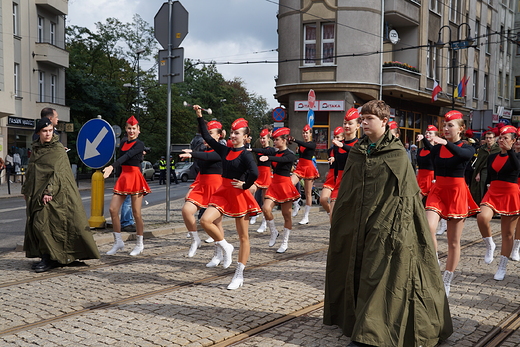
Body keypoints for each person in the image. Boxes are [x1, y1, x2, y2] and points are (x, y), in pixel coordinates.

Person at [323, 100, 452, 346]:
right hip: (357, 223)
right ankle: (355, 321)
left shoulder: (397, 154)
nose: (364, 123)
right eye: (362, 119)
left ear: (384, 121)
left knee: (378, 273)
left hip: (387, 224)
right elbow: (348, 191)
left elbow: (406, 197)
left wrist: (394, 227)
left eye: (369, 119)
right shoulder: (358, 151)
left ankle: (369, 333)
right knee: (356, 268)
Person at [194, 105, 261, 290]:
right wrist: (200, 117)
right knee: (205, 220)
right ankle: (225, 246)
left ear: (246, 137)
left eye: (237, 133)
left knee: (243, 236)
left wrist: (245, 185)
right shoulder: (225, 151)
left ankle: (239, 274)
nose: (233, 136)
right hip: (222, 192)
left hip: (238, 194)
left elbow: (254, 173)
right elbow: (207, 137)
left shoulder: (246, 155)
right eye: (232, 133)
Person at [22, 118, 100, 272]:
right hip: (35, 193)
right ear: (38, 133)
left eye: (50, 130)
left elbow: (58, 173)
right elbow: (32, 171)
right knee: (41, 225)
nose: (48, 134)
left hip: (54, 195)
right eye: (44, 131)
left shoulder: (57, 149)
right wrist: (25, 189)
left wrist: (49, 191)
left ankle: (49, 259)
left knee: (41, 224)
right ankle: (50, 256)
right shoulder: (37, 149)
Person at [424, 110, 479, 296]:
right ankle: (434, 262)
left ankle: (447, 279)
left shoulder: (468, 147)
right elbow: (428, 160)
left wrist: (445, 142)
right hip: (438, 191)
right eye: (444, 125)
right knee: (428, 227)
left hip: (457, 193)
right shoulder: (438, 147)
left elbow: (463, 156)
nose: (445, 128)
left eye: (450, 125)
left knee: (453, 242)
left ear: (461, 129)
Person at [103, 115, 151, 256]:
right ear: (126, 129)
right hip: (124, 177)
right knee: (113, 209)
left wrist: (112, 166)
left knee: (136, 213)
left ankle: (139, 243)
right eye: (129, 128)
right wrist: (115, 173)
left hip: (135, 177)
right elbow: (122, 160)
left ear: (138, 130)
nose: (131, 131)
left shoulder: (139, 144)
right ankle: (118, 242)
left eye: (134, 129)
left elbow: (127, 157)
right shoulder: (123, 143)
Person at [476, 125, 520, 280]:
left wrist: (510, 150)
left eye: (505, 138)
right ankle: (490, 244)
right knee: (481, 217)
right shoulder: (492, 156)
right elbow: (490, 174)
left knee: (508, 233)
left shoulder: (517, 156)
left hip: (510, 193)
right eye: (500, 138)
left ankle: (502, 265)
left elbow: (517, 168)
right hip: (493, 191)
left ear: (514, 141)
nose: (502, 140)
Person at [180, 120, 224, 261]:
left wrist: (193, 153)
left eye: (211, 133)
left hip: (216, 188)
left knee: (216, 223)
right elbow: (200, 171)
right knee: (186, 210)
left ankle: (219, 253)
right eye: (206, 134)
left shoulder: (222, 150)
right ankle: (195, 239)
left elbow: (209, 157)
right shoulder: (202, 150)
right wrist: (193, 187)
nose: (207, 137)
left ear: (219, 136)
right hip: (201, 186)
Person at [251, 127, 299, 252]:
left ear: (284, 140)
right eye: (273, 139)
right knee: (265, 208)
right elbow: (262, 150)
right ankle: (274, 232)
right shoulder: (273, 151)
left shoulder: (290, 154)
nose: (275, 142)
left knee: (286, 215)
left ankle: (285, 242)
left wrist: (269, 158)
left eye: (277, 140)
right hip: (274, 184)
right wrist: (249, 149)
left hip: (285, 185)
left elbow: (283, 160)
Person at [329, 108, 360, 216]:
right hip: (339, 183)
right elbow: (336, 168)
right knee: (333, 216)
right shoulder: (337, 145)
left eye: (350, 123)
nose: (346, 126)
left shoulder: (360, 144)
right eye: (345, 123)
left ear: (357, 126)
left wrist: (343, 146)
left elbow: (358, 153)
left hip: (354, 183)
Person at [416, 126, 447, 235]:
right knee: (416, 200)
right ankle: (419, 223)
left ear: (436, 136)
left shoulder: (436, 149)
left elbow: (430, 148)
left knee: (435, 203)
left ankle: (443, 224)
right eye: (426, 133)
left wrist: (435, 178)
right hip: (420, 177)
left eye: (430, 133)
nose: (427, 134)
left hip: (432, 177)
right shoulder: (420, 150)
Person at [290, 124, 319, 225]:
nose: (305, 135)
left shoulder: (312, 144)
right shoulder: (301, 145)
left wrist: (295, 140)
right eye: (303, 133)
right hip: (300, 167)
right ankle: (296, 202)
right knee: (289, 184)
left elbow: (307, 146)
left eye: (307, 133)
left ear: (310, 134)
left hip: (308, 168)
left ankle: (306, 216)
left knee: (308, 193)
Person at [250, 128, 273, 231]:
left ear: (268, 139)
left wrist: (253, 149)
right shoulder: (259, 148)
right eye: (261, 138)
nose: (262, 140)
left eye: (264, 138)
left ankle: (264, 222)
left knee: (265, 199)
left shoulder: (271, 149)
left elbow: (265, 151)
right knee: (250, 190)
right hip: (258, 174)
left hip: (267, 175)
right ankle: (255, 211)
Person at [470, 130, 500, 204]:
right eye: (487, 138)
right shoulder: (482, 149)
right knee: (481, 188)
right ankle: (481, 204)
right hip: (484, 171)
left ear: (494, 138)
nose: (488, 140)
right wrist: (478, 172)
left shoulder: (498, 149)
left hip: (494, 171)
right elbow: (479, 162)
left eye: (490, 138)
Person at [320, 127, 344, 216]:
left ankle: (334, 217)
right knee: (323, 199)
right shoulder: (330, 150)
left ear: (342, 138)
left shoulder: (344, 149)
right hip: (331, 177)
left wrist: (335, 159)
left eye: (338, 137)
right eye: (334, 137)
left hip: (340, 177)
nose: (335, 139)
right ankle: (330, 213)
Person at [510, 129, 520, 261]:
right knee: (511, 219)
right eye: (517, 139)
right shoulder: (508, 154)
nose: (518, 142)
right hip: (511, 187)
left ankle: (516, 248)